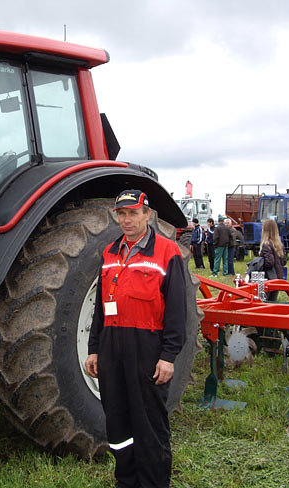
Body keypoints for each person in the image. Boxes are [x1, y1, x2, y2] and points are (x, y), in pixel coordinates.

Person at [85, 189, 187, 488]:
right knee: (117, 420)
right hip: (111, 345)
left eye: (133, 213)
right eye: (122, 214)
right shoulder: (109, 252)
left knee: (149, 423)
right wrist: (94, 349)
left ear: (147, 214)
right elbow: (100, 308)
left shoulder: (167, 252)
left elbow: (177, 310)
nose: (127, 220)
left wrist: (168, 356)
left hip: (147, 346)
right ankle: (126, 480)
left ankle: (153, 482)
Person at [259, 219, 286, 301]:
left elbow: (269, 262)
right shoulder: (279, 245)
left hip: (268, 278)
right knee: (273, 300)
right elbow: (284, 261)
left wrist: (259, 264)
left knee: (264, 301)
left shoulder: (266, 244)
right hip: (278, 277)